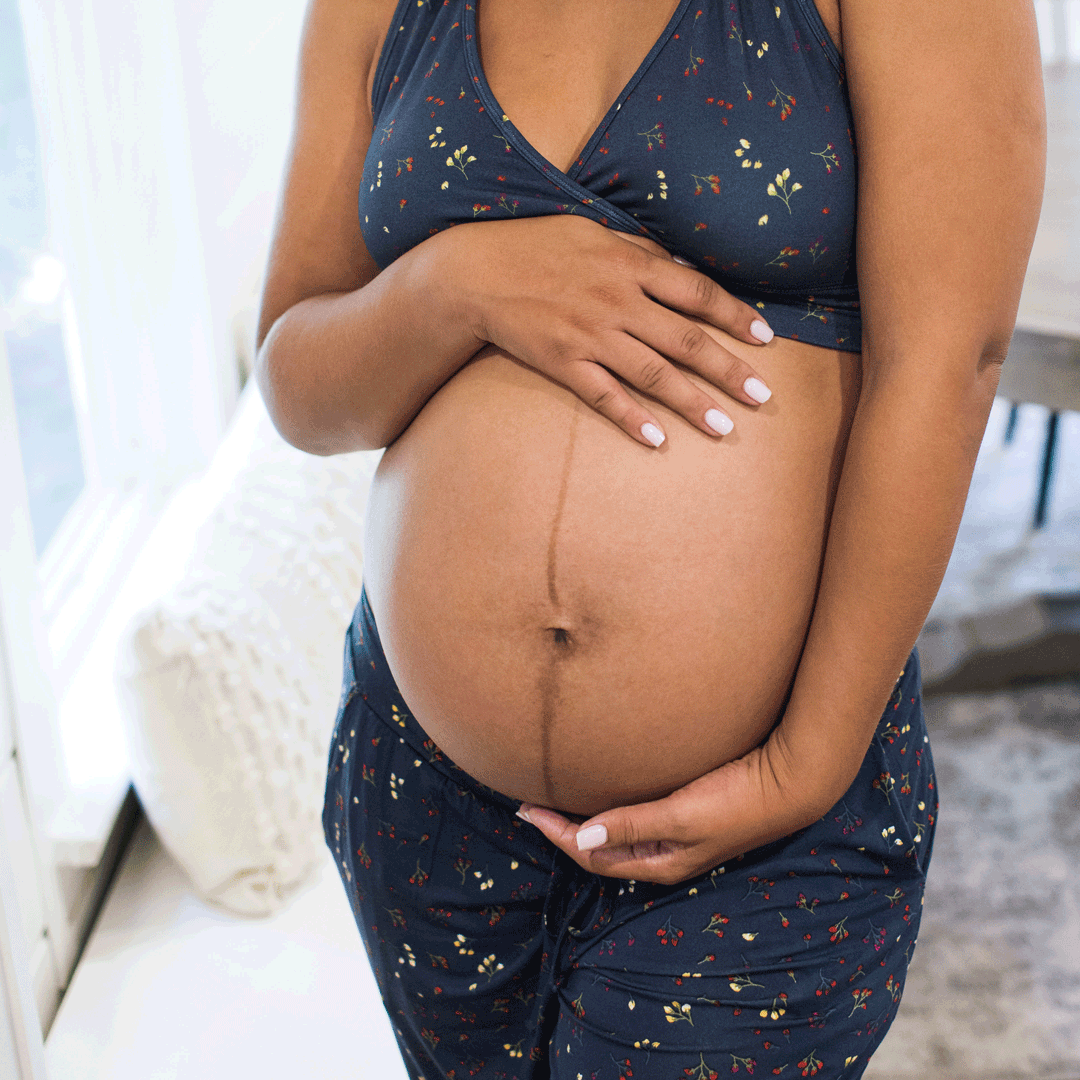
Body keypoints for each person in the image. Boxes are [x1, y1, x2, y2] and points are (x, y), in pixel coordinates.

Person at [255, 0, 1045, 1075]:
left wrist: (804, 770)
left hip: (759, 813)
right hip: (427, 796)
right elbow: (297, 382)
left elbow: (948, 365)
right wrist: (455, 288)